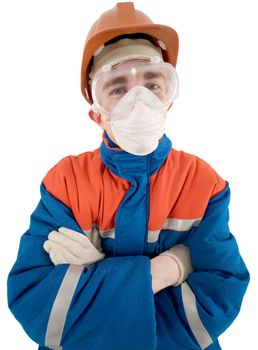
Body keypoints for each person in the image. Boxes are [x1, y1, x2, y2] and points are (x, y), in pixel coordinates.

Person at [7, 2, 249, 350]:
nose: (139, 101)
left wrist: (97, 280)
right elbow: (34, 300)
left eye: (153, 84)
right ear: (97, 114)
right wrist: (164, 270)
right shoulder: (66, 182)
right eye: (117, 88)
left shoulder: (202, 182)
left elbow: (220, 296)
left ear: (169, 99)